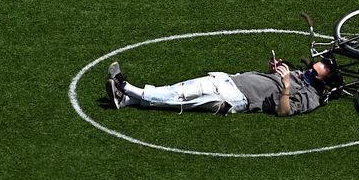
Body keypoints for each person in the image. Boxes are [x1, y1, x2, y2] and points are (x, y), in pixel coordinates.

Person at [105, 50, 343, 116]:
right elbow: (270, 84)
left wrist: (286, 85)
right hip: (229, 80)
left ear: (323, 82)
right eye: (310, 68)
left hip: (234, 97)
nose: (307, 72)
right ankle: (125, 100)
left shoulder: (311, 98)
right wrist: (273, 72)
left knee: (180, 94)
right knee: (178, 91)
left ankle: (125, 87)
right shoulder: (301, 75)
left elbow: (284, 111)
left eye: (313, 73)